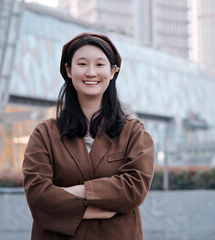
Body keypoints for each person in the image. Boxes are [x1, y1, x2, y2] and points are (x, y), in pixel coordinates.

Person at [22, 32, 155, 240]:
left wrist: (78, 191)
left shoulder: (133, 132)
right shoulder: (45, 134)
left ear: (113, 71)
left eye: (100, 65)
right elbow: (38, 195)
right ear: (68, 70)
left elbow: (134, 188)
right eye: (82, 64)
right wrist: (95, 210)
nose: (91, 72)